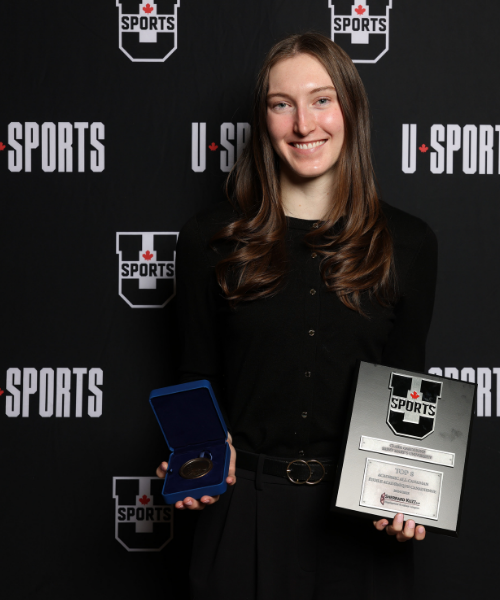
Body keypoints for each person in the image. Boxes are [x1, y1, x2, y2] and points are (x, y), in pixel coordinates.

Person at [156, 31, 438, 599]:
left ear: (350, 109)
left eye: (321, 99)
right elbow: (196, 375)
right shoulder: (209, 239)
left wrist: (412, 492)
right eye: (282, 104)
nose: (304, 125)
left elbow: (406, 385)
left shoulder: (409, 242)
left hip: (361, 522)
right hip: (242, 519)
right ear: (264, 120)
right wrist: (193, 461)